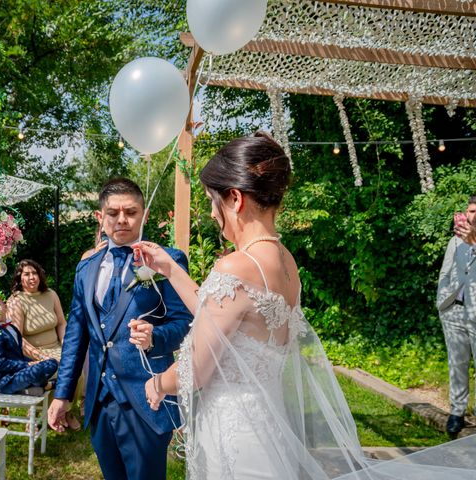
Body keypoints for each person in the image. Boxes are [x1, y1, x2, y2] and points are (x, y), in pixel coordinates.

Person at [134, 133, 476, 479]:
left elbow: (195, 370)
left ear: (235, 198)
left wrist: (158, 384)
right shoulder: (284, 261)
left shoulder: (235, 267)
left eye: (213, 200)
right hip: (267, 428)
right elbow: (219, 318)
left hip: (234, 438)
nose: (211, 212)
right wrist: (171, 269)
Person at [48, 178, 192, 480]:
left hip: (147, 398)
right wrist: (62, 394)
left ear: (144, 215)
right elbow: (77, 332)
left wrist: (155, 337)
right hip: (100, 401)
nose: (122, 219)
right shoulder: (85, 268)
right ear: (101, 217)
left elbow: (184, 322)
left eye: (131, 211)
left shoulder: (167, 259)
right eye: (113, 213)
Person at [7, 259, 81, 428]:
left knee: (76, 369)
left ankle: (65, 411)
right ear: (19, 278)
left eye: (34, 273)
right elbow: (17, 338)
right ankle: (41, 413)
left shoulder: (51, 295)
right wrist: (41, 355)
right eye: (26, 274)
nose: (32, 277)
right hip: (32, 353)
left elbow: (62, 323)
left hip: (56, 347)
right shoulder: (15, 301)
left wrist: (66, 344)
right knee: (57, 372)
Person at [437, 195, 476, 436]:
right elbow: (445, 272)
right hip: (454, 311)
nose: (473, 215)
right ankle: (457, 412)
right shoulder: (456, 241)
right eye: (470, 210)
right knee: (457, 363)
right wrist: (442, 301)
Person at [0, 298, 58, 396]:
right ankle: (46, 385)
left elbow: (18, 355)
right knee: (35, 371)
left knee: (52, 363)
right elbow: (0, 364)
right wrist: (28, 365)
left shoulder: (12, 328)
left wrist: (33, 363)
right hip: (6, 380)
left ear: (5, 307)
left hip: (19, 372)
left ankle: (30, 385)